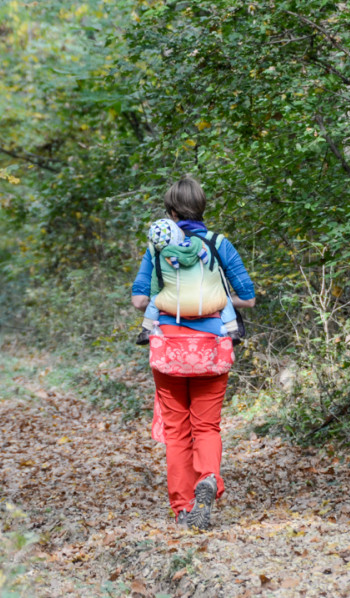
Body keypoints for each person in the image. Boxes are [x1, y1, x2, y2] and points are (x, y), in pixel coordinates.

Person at [131, 176, 256, 530]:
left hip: (168, 349)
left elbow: (140, 299)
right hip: (212, 350)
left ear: (170, 212)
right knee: (206, 425)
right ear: (202, 209)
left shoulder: (157, 249)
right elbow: (247, 297)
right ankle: (209, 478)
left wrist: (167, 302)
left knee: (176, 430)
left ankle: (184, 508)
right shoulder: (219, 244)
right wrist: (216, 302)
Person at [136, 217, 242, 345]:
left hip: (174, 307)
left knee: (154, 301)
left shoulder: (162, 258)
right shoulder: (200, 246)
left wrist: (157, 298)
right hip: (208, 304)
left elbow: (155, 286)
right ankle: (232, 331)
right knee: (225, 301)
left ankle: (146, 331)